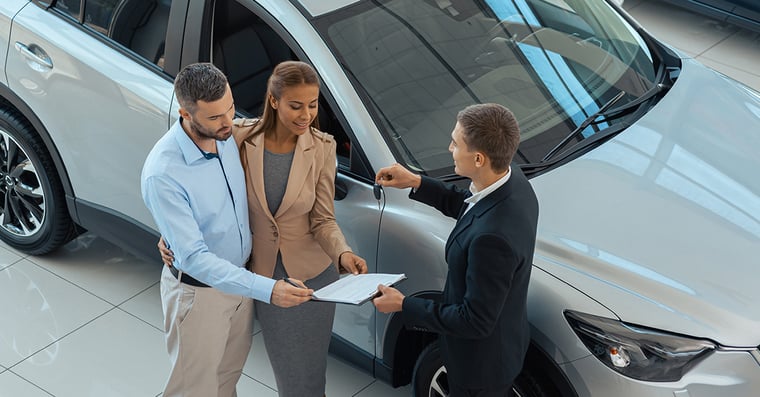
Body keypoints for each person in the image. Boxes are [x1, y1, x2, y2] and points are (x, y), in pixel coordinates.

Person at [159, 60, 367, 397]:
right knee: (232, 371)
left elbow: (323, 218)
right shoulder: (237, 137)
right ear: (273, 100)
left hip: (310, 275)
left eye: (313, 105)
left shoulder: (323, 148)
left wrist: (342, 253)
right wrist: (170, 233)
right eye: (295, 105)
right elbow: (202, 189)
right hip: (260, 275)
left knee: (305, 378)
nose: (306, 115)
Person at [141, 62, 313, 397]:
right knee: (194, 391)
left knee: (226, 381)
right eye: (216, 117)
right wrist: (268, 289)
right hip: (199, 296)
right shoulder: (163, 173)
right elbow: (194, 258)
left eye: (230, 109)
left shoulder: (226, 136)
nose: (228, 122)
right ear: (186, 114)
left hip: (238, 283)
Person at [372, 103, 539, 397]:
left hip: (478, 368)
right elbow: (472, 206)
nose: (449, 147)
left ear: (478, 158)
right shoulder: (514, 183)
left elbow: (474, 321)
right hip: (504, 344)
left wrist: (403, 305)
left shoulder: (492, 240)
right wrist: (416, 182)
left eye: (455, 142)